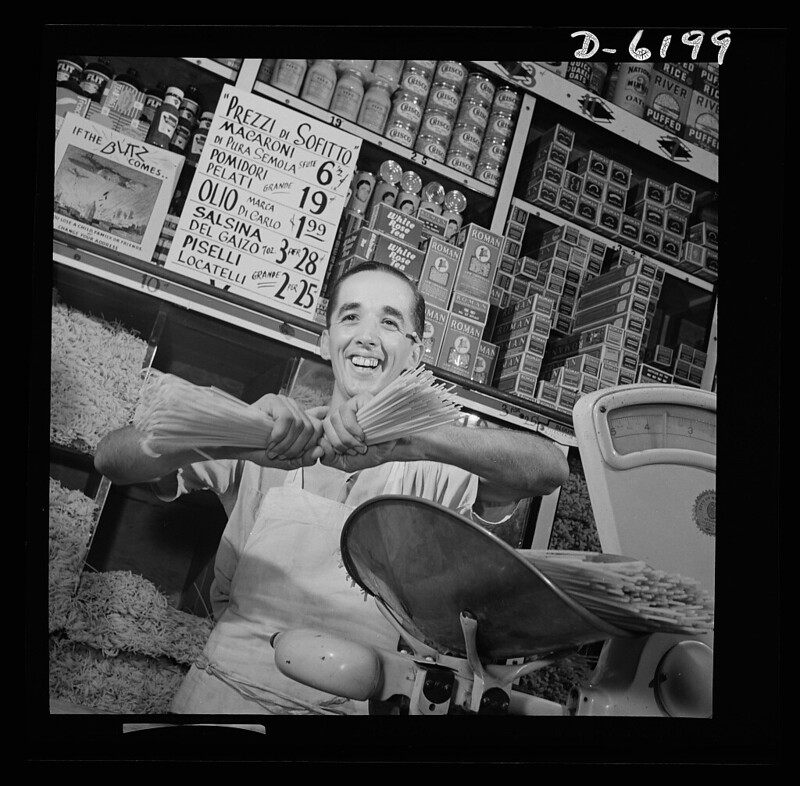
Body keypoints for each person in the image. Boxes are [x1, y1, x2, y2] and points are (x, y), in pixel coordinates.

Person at [93, 261, 570, 715]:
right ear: (326, 341)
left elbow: (548, 469)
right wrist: (234, 435)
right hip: (224, 698)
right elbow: (112, 459)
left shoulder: (428, 465)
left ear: (415, 351)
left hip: (354, 704)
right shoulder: (267, 432)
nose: (366, 336)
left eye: (389, 322)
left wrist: (417, 440)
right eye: (350, 317)